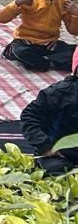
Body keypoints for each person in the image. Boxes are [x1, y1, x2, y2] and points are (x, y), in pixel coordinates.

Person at [0, 0, 78, 71]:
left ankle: (42, 62)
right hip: (26, 42)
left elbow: (73, 32)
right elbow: (1, 19)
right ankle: (51, 62)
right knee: (19, 51)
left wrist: (75, 14)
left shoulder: (65, 3)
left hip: (50, 44)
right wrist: (16, 3)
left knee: (76, 51)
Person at [20, 46, 78, 175]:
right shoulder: (60, 93)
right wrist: (44, 145)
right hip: (60, 154)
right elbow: (30, 116)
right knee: (57, 171)